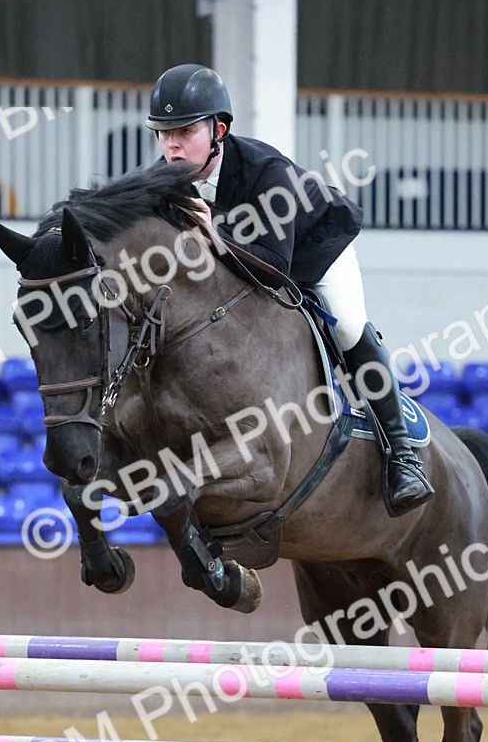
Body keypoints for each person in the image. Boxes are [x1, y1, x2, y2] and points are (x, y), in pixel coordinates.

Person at [145, 63, 434, 515]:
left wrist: (215, 233)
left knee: (348, 329)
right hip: (247, 258)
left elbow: (278, 268)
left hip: (313, 251)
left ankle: (402, 455)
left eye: (184, 130)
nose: (171, 145)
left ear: (219, 130)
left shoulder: (266, 172)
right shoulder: (161, 181)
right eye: (162, 133)